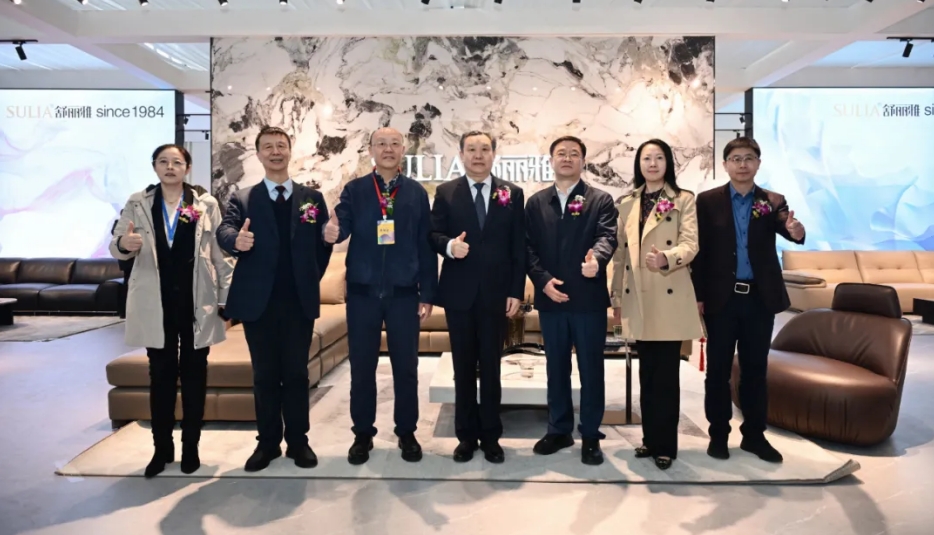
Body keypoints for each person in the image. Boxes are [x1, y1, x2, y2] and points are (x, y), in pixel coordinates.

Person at [110, 144, 233, 478]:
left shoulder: (204, 203)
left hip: (196, 302)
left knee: (195, 376)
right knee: (160, 376)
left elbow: (220, 254)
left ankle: (191, 447)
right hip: (155, 302)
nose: (169, 167)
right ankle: (161, 448)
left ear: (187, 167)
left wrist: (226, 297)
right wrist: (124, 245)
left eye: (176, 162)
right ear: (155, 167)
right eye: (163, 161)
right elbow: (117, 245)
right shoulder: (139, 203)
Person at [216, 125, 333, 472]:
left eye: (281, 145)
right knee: (265, 375)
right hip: (259, 304)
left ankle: (298, 441)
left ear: (290, 151)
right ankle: (267, 443)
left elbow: (323, 244)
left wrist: (310, 277)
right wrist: (236, 241)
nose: (275, 151)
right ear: (259, 154)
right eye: (268, 146)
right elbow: (225, 229)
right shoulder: (243, 198)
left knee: (296, 374)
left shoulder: (312, 198)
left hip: (298, 302)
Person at [323, 127, 438, 465]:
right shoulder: (356, 190)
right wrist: (331, 232)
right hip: (363, 294)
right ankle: (362, 433)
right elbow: (341, 226)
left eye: (394, 143)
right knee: (362, 368)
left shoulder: (416, 193)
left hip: (404, 295)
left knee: (406, 368)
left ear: (403, 149)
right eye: (381, 144)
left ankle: (407, 431)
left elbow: (426, 245)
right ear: (371, 150)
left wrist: (427, 292)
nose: (388, 149)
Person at [691, 136, 806, 463]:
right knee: (717, 371)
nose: (742, 165)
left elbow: (789, 229)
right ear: (725, 164)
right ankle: (718, 435)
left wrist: (796, 231)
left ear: (758, 163)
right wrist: (698, 295)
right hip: (721, 300)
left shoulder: (772, 200)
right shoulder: (707, 201)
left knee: (755, 370)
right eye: (736, 159)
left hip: (759, 299)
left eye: (748, 158)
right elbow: (700, 252)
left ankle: (754, 436)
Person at [429, 131, 526, 464]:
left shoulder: (511, 193)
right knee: (463, 367)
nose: (478, 155)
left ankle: (491, 436)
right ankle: (466, 437)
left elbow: (518, 246)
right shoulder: (446, 192)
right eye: (472, 149)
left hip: (496, 295)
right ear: (461, 154)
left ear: (493, 154)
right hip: (459, 294)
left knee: (492, 367)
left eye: (485, 149)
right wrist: (449, 246)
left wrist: (515, 291)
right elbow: (432, 234)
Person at [525, 135, 618, 465]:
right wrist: (542, 281)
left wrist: (598, 261)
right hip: (551, 299)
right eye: (561, 153)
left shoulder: (600, 199)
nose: (567, 158)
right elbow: (527, 247)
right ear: (551, 160)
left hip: (588, 300)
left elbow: (607, 236)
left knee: (591, 369)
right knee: (556, 368)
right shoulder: (536, 203)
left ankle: (590, 435)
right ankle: (559, 429)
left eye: (574, 154)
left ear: (583, 161)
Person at [611, 139, 703, 470]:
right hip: (637, 297)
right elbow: (620, 254)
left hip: (667, 293)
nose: (652, 163)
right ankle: (649, 440)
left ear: (668, 163)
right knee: (646, 375)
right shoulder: (627, 202)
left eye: (659, 157)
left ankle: (665, 446)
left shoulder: (683, 199)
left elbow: (690, 243)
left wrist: (667, 257)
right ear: (638, 164)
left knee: (665, 377)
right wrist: (616, 298)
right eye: (646, 158)